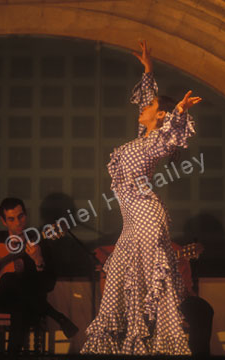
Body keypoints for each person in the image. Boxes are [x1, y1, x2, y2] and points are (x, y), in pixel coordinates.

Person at [81, 40, 202, 355]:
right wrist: (148, 69)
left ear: (159, 115)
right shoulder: (142, 138)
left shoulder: (155, 144)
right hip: (132, 222)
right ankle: (132, 342)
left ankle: (165, 343)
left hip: (147, 217)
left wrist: (177, 111)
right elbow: (148, 104)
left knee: (152, 281)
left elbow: (168, 133)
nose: (142, 108)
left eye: (149, 108)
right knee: (121, 275)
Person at [0, 197, 78, 358]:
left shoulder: (39, 242)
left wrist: (38, 260)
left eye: (21, 216)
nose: (18, 222)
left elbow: (48, 285)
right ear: (3, 221)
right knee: (9, 279)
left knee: (20, 305)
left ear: (26, 215)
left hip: (26, 303)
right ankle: (58, 317)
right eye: (11, 219)